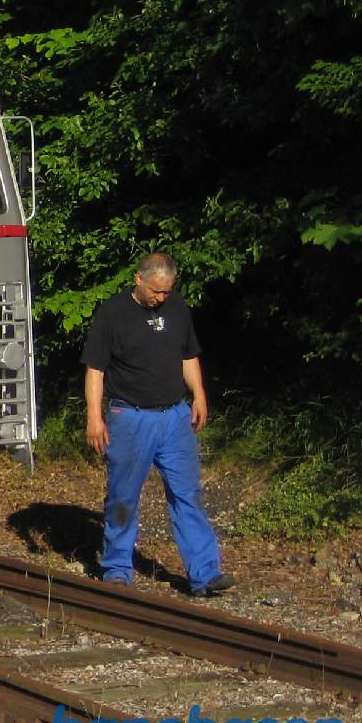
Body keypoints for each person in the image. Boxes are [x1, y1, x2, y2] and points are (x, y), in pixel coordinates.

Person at [81, 252, 235, 597]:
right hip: (130, 417)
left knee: (188, 495)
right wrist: (94, 417)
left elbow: (188, 355)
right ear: (139, 280)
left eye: (167, 292)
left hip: (175, 417)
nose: (161, 298)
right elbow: (95, 369)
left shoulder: (177, 308)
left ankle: (205, 572)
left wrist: (199, 394)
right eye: (156, 292)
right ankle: (117, 569)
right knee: (124, 496)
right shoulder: (112, 314)